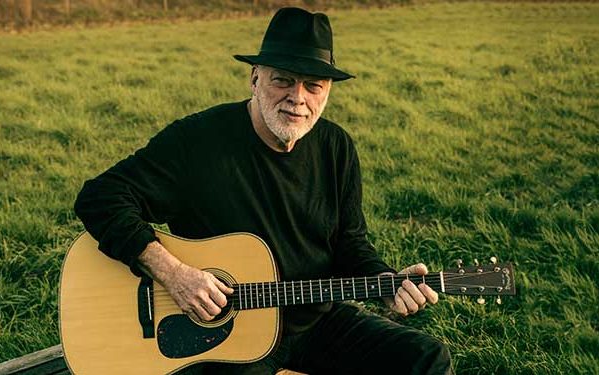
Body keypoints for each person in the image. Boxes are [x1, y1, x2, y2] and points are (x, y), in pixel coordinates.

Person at [74, 7, 452, 375]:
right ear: (255, 78)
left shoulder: (337, 147)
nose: (298, 98)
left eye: (313, 86)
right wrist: (175, 274)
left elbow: (350, 243)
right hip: (228, 334)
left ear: (328, 92)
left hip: (315, 321)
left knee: (425, 357)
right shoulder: (198, 141)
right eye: (283, 80)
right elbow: (101, 197)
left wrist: (385, 282)